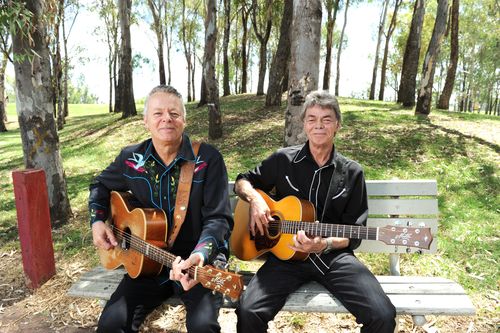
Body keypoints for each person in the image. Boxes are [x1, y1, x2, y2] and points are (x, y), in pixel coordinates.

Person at [234, 90, 396, 333]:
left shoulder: (352, 173)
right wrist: (256, 199)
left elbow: (355, 232)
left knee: (382, 315)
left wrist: (325, 244)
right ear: (304, 124)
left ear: (337, 125)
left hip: (332, 258)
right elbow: (242, 181)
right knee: (248, 311)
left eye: (326, 119)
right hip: (285, 256)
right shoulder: (282, 160)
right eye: (312, 119)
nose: (318, 125)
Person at [89, 85, 233, 333]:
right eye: (158, 113)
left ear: (184, 121)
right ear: (146, 121)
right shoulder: (132, 159)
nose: (167, 118)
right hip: (146, 261)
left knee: (203, 327)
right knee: (111, 324)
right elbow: (100, 185)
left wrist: (199, 256)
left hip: (199, 264)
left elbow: (218, 219)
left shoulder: (208, 159)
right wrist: (98, 221)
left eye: (174, 113)